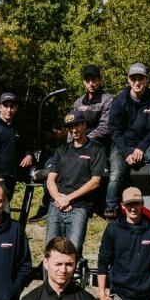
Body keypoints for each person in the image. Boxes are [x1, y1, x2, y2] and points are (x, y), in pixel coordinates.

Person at [107, 63, 150, 219]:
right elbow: (114, 130)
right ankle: (111, 209)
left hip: (145, 143)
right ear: (128, 80)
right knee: (115, 174)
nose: (137, 82)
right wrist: (127, 151)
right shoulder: (119, 101)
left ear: (146, 80)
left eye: (140, 78)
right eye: (133, 78)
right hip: (122, 145)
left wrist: (141, 148)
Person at [44, 109, 107, 259]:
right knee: (50, 250)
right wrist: (59, 199)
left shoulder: (96, 149)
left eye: (77, 125)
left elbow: (95, 182)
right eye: (70, 127)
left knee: (73, 250)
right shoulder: (62, 150)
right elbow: (51, 179)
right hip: (57, 205)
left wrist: (69, 198)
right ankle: (49, 282)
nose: (74, 130)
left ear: (84, 125)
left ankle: (70, 282)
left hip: (79, 207)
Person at [73, 64, 119, 216]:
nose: (91, 83)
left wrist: (84, 139)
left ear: (99, 81)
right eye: (88, 80)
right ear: (83, 82)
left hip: (103, 145)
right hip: (81, 142)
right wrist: (70, 145)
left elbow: (105, 128)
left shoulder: (108, 100)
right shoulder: (78, 102)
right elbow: (72, 126)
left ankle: (103, 205)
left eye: (94, 80)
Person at [0, 92, 35, 206]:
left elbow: (26, 145)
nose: (9, 110)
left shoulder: (18, 127)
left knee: (3, 210)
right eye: (5, 106)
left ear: (16, 108)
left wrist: (29, 155)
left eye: (12, 106)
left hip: (11, 177)